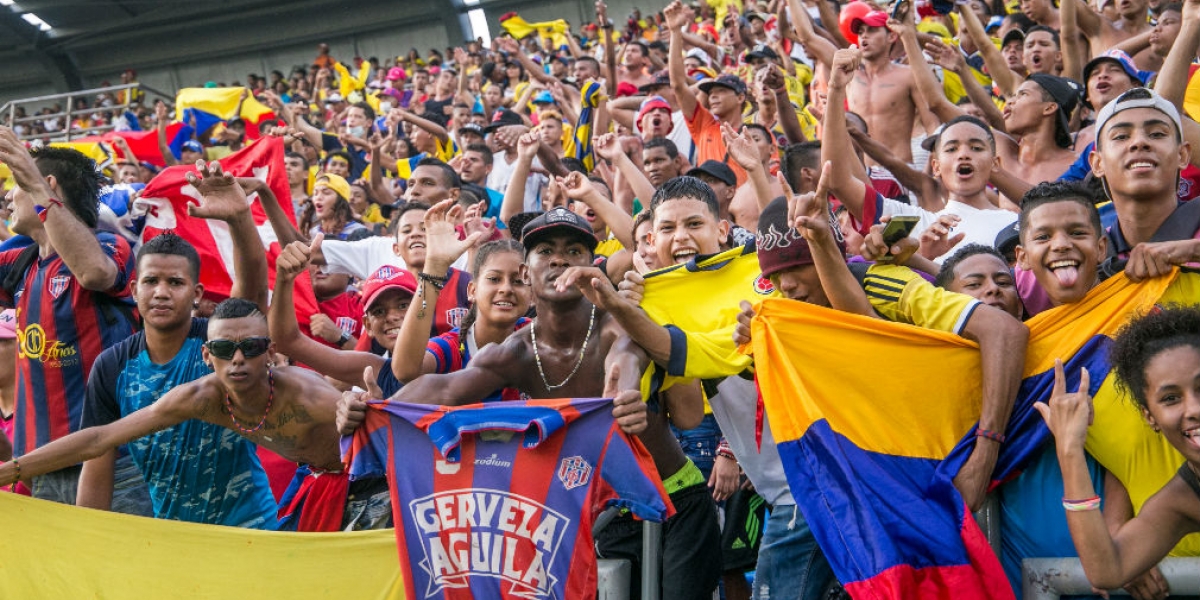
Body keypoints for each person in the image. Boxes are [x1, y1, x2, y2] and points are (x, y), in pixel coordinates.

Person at [339, 205, 722, 600]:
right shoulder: (516, 351)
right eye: (545, 252)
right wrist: (374, 411)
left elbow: (623, 363)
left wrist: (622, 398)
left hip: (674, 501)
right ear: (528, 272)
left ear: (594, 266)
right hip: (592, 515)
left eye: (574, 251)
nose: (559, 259)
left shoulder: (619, 325)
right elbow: (442, 390)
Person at [0, 297, 383, 532]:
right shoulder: (201, 397)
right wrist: (15, 469)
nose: (237, 359)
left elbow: (369, 413)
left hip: (371, 479)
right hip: (319, 483)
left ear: (270, 353)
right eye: (223, 348)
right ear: (206, 355)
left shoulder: (305, 393)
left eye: (251, 347)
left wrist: (355, 407)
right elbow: (101, 438)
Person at [0, 129, 142, 505]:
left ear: (46, 185)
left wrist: (32, 184)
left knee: (118, 564)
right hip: (38, 467)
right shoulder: (18, 261)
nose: (8, 196)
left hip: (112, 464)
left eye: (15, 185)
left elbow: (95, 274)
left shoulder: (111, 246)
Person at [1037, 306, 1200, 592]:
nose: (1194, 409)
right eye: (1171, 398)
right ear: (1150, 417)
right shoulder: (1184, 498)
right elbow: (1108, 570)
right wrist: (1070, 449)